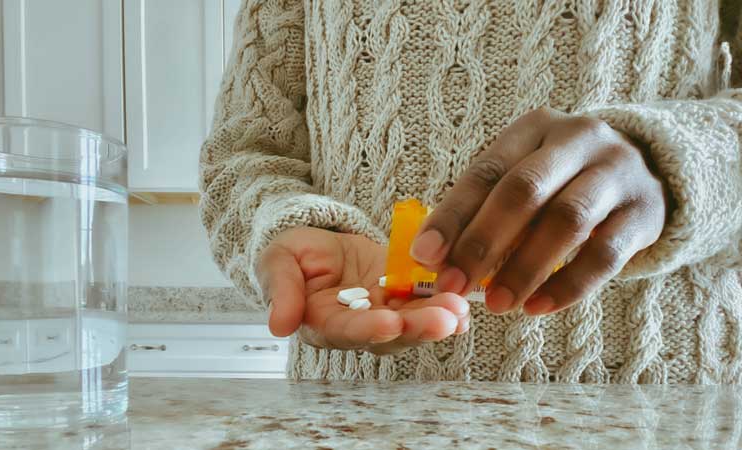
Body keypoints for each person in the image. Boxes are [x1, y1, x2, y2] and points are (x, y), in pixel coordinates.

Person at [199, 0, 742, 383]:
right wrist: (292, 223)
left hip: (657, 398)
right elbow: (244, 150)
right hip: (359, 404)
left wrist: (673, 163)